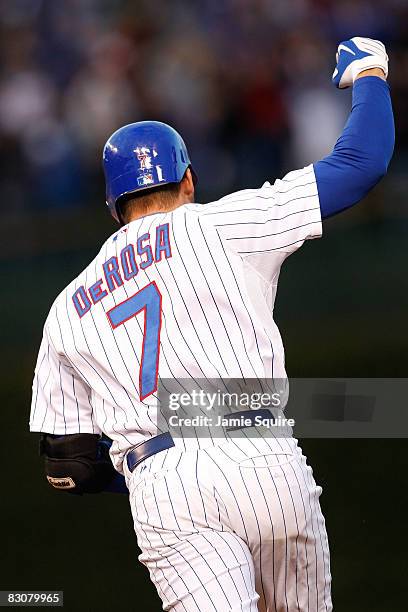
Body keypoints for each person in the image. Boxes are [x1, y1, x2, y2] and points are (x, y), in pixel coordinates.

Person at [30, 38, 394, 611]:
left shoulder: (66, 308)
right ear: (190, 182)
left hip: (164, 483)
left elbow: (68, 463)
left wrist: (140, 467)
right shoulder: (222, 224)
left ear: (111, 207)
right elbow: (361, 164)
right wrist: (369, 70)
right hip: (261, 453)